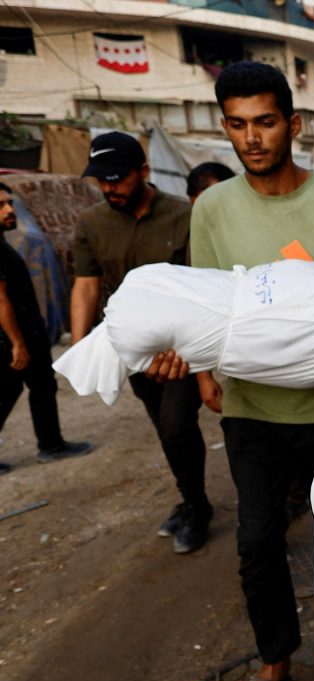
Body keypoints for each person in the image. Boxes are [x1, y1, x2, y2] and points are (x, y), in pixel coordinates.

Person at [158, 60, 314, 681]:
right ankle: (274, 663)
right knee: (256, 541)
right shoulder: (213, 209)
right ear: (225, 127)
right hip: (251, 407)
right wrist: (198, 369)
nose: (251, 138)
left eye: (265, 122)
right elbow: (205, 306)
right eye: (238, 124)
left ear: (293, 124)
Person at [70, 132, 211, 554]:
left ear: (143, 171)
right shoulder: (91, 223)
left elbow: (201, 288)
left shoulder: (184, 216)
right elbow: (86, 286)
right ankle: (191, 498)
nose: (109, 187)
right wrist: (79, 349)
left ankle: (198, 509)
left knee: (177, 424)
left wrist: (199, 359)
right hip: (133, 349)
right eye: (101, 180)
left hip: (181, 348)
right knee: (165, 429)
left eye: (117, 178)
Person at [0, 183, 91, 472]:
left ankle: (51, 444)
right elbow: (0, 301)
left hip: (27, 332)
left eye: (10, 203)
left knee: (41, 386)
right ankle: (51, 444)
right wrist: (17, 344)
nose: (10, 210)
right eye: (1, 206)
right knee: (9, 390)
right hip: (15, 336)